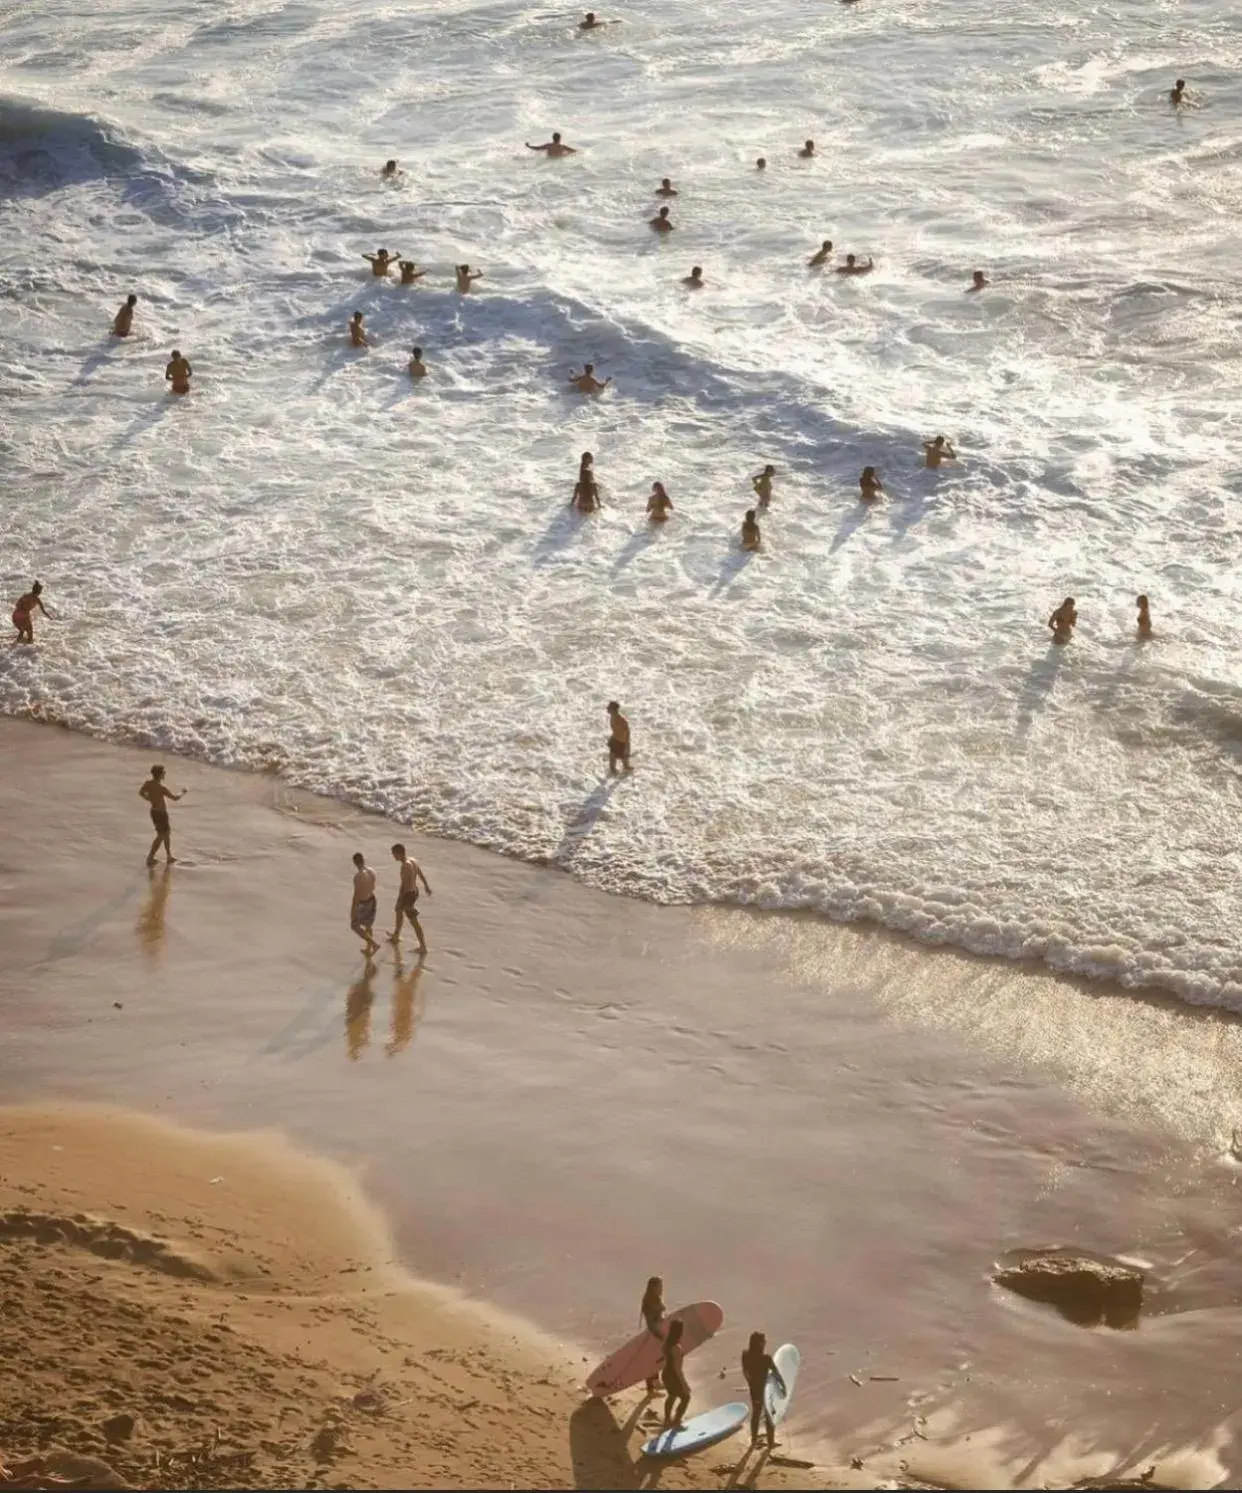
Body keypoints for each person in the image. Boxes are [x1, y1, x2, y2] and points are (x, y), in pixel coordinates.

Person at [742, 1331, 786, 1449]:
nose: (765, 1342)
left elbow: (745, 1372)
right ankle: (770, 1443)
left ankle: (754, 1440)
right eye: (763, 1341)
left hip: (754, 1389)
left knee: (756, 1413)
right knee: (769, 1416)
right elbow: (776, 1374)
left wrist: (750, 1383)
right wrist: (783, 1387)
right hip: (765, 1390)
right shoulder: (766, 1358)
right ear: (759, 1343)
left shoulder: (745, 1355)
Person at [388, 842, 431, 953]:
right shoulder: (413, 860)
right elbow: (420, 873)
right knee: (398, 911)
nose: (393, 856)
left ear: (399, 853)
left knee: (413, 920)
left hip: (408, 894)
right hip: (415, 891)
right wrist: (426, 886)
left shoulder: (405, 866)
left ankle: (423, 947)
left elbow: (404, 885)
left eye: (394, 854)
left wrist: (400, 899)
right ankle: (396, 936)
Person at [139, 764, 185, 867]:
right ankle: (150, 857)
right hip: (161, 814)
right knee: (161, 836)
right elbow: (175, 798)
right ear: (160, 775)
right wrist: (183, 792)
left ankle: (169, 856)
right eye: (164, 772)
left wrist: (150, 799)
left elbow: (141, 792)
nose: (165, 774)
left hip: (154, 812)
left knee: (166, 834)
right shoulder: (161, 787)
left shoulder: (148, 784)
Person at [660, 1317, 691, 1427]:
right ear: (680, 1332)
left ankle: (667, 1419)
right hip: (674, 1376)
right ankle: (677, 1421)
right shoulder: (677, 1348)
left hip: (665, 1374)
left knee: (672, 1395)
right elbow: (678, 1369)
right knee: (686, 1397)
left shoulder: (666, 1344)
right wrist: (684, 1384)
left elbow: (665, 1358)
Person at [640, 1277, 666, 1395]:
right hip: (654, 1334)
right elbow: (651, 1323)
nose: (662, 1289)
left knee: (654, 1359)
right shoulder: (650, 1301)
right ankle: (654, 1384)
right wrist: (660, 1336)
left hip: (655, 1333)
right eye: (660, 1286)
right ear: (654, 1287)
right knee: (655, 1360)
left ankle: (651, 1389)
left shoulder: (652, 1299)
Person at [350, 852, 379, 955]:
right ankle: (368, 948)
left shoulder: (358, 877)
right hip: (372, 899)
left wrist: (353, 910)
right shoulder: (372, 871)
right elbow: (373, 886)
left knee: (354, 926)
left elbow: (356, 895)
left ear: (354, 862)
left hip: (363, 903)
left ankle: (374, 944)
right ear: (363, 860)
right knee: (368, 925)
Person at [607, 701, 631, 773]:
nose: (607, 708)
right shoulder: (613, 716)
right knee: (612, 760)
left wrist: (627, 745)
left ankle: (627, 777)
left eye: (609, 707)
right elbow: (616, 729)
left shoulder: (620, 719)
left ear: (613, 710)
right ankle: (612, 774)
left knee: (625, 763)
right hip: (615, 739)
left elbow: (627, 732)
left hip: (622, 741)